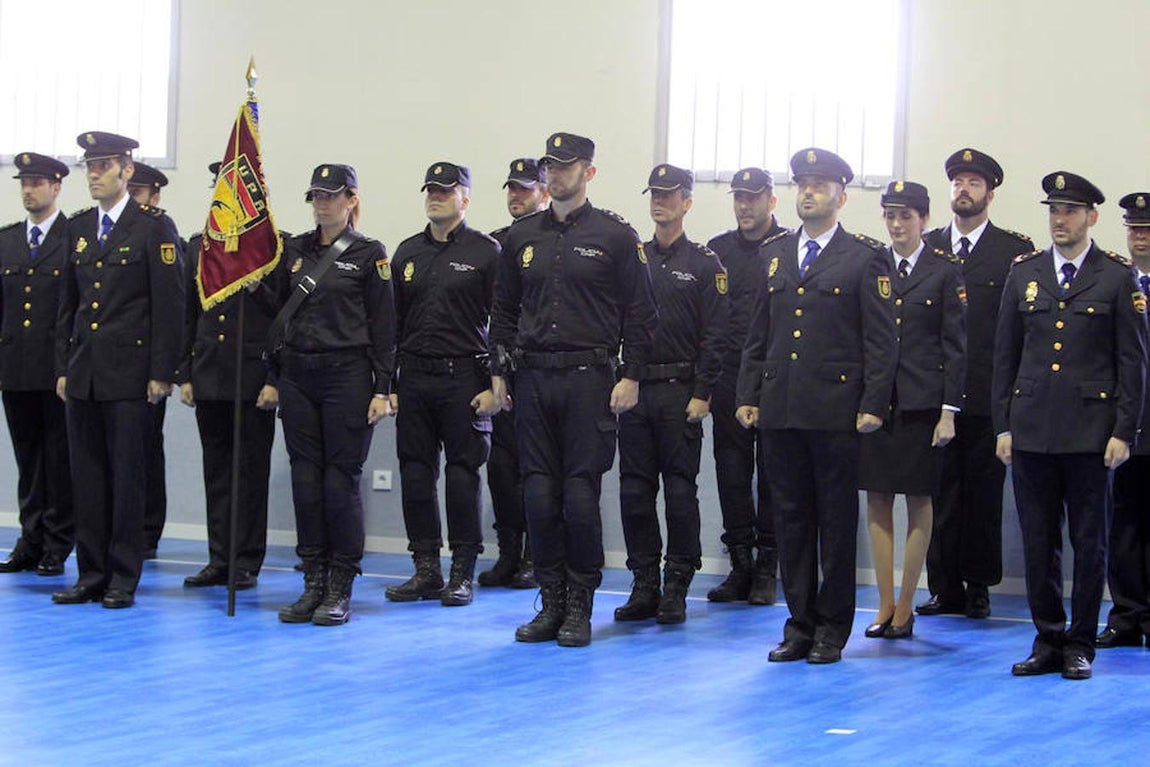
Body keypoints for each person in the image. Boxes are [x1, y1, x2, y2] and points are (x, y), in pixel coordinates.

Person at [490, 131, 658, 647]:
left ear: (589, 171)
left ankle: (581, 603)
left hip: (590, 380)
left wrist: (632, 376)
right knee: (538, 495)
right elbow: (502, 311)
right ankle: (552, 598)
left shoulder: (614, 236)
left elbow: (642, 312)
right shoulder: (521, 238)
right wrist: (499, 372)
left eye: (566, 165)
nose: (556, 173)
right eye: (550, 166)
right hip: (534, 379)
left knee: (579, 498)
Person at [735, 147, 896, 664]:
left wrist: (873, 402)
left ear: (842, 196)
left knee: (834, 524)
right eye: (803, 184)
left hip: (835, 410)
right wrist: (748, 393)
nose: (810, 192)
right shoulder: (775, 254)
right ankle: (799, 623)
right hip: (781, 408)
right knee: (790, 521)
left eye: (821, 185)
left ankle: (832, 627)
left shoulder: (864, 257)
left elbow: (881, 340)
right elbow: (758, 332)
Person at [995, 172, 1145, 680]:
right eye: (1054, 210)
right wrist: (1003, 426)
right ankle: (1047, 638)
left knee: (1090, 543)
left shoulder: (1116, 276)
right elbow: (1005, 357)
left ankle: (1081, 641)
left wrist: (1124, 431)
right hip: (1032, 430)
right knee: (1039, 542)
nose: (1060, 220)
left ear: (1091, 217)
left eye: (1071, 211)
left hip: (1091, 434)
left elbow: (1133, 362)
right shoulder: (1025, 273)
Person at [52, 131, 185, 609]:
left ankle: (123, 576)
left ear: (127, 170)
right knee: (86, 477)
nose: (93, 174)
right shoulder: (80, 227)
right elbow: (68, 304)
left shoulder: (152, 227)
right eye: (89, 166)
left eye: (104, 165)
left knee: (127, 478)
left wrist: (161, 371)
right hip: (85, 372)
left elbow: (169, 305)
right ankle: (90, 573)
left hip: (131, 374)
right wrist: (64, 366)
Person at [272, 164, 394, 626]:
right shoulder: (294, 250)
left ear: (351, 199)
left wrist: (383, 388)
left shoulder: (369, 255)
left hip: (347, 375)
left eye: (332, 195)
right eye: (316, 196)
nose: (323, 203)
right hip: (299, 374)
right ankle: (313, 579)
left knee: (338, 481)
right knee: (305, 479)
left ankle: (340, 581)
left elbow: (385, 328)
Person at [921, 149, 1033, 619]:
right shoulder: (927, 247)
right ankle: (943, 586)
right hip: (936, 395)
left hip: (989, 395)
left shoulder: (1013, 251)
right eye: (957, 182)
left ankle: (978, 585)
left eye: (973, 182)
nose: (963, 190)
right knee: (938, 492)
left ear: (990, 192)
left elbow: (1019, 330)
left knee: (984, 496)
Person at [614, 164, 727, 625]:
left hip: (681, 393)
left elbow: (716, 337)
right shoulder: (632, 258)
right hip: (636, 391)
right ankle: (644, 583)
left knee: (680, 493)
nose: (660, 201)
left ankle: (677, 583)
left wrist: (703, 394)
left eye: (669, 194)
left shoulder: (704, 264)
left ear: (687, 202)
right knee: (634, 492)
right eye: (655, 194)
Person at [385, 162, 501, 607]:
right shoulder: (407, 253)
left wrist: (496, 384)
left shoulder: (486, 252)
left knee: (461, 475)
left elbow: (504, 322)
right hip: (414, 377)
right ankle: (426, 568)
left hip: (464, 379)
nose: (436, 196)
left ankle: (461, 571)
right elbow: (392, 325)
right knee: (415, 474)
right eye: (430, 189)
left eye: (446, 191)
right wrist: (388, 383)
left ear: (465, 199)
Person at [860, 181, 966, 640]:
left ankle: (907, 603)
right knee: (878, 499)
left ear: (923, 219)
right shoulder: (872, 265)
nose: (897, 225)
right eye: (890, 216)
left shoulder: (944, 272)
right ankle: (883, 602)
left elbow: (956, 348)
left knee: (919, 501)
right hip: (879, 403)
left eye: (906, 216)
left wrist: (949, 411)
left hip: (924, 404)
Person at [176, 162, 279, 590]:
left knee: (250, 475)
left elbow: (281, 316)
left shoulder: (272, 248)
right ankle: (219, 558)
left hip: (252, 377)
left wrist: (275, 377)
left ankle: (246, 560)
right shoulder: (200, 245)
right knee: (216, 472)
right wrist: (184, 372)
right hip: (210, 373)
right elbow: (188, 313)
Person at [705, 167, 788, 605]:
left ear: (771, 201)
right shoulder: (717, 251)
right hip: (729, 380)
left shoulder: (789, 248)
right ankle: (740, 565)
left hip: (775, 381)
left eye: (753, 197)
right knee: (731, 475)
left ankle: (768, 569)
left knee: (774, 477)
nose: (745, 205)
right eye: (739, 197)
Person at [0, 152, 74, 576]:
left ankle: (57, 542)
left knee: (58, 459)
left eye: (37, 183)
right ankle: (29, 539)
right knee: (27, 458)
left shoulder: (73, 237)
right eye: (24, 183)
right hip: (16, 367)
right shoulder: (8, 239)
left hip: (56, 369)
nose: (29, 190)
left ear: (56, 186)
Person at [479, 158, 549, 590]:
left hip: (543, 370)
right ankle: (508, 552)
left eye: (525, 189)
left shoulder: (554, 240)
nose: (516, 196)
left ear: (543, 191)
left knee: (536, 470)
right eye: (511, 189)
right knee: (501, 468)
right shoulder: (496, 245)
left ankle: (534, 556)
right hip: (504, 371)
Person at [1098, 192, 1150, 650]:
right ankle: (1127, 613)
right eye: (1134, 228)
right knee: (1122, 522)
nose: (1141, 236)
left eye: (1147, 229)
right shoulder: (1112, 280)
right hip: (1122, 423)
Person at [125, 159, 173, 558]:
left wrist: (163, 370)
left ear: (154, 197)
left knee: (145, 451)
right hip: (110, 368)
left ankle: (146, 530)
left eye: (138, 193)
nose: (132, 199)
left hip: (144, 368)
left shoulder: (160, 232)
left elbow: (170, 309)